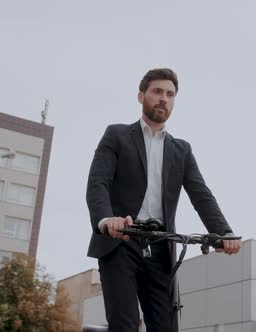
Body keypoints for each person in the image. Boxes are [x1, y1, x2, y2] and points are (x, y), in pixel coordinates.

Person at [86, 68, 241, 331]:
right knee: (125, 324)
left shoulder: (181, 150)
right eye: (157, 91)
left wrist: (223, 232)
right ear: (141, 96)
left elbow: (201, 194)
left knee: (165, 326)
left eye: (170, 94)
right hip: (120, 241)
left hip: (160, 247)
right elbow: (97, 183)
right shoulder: (117, 135)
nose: (164, 99)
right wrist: (105, 219)